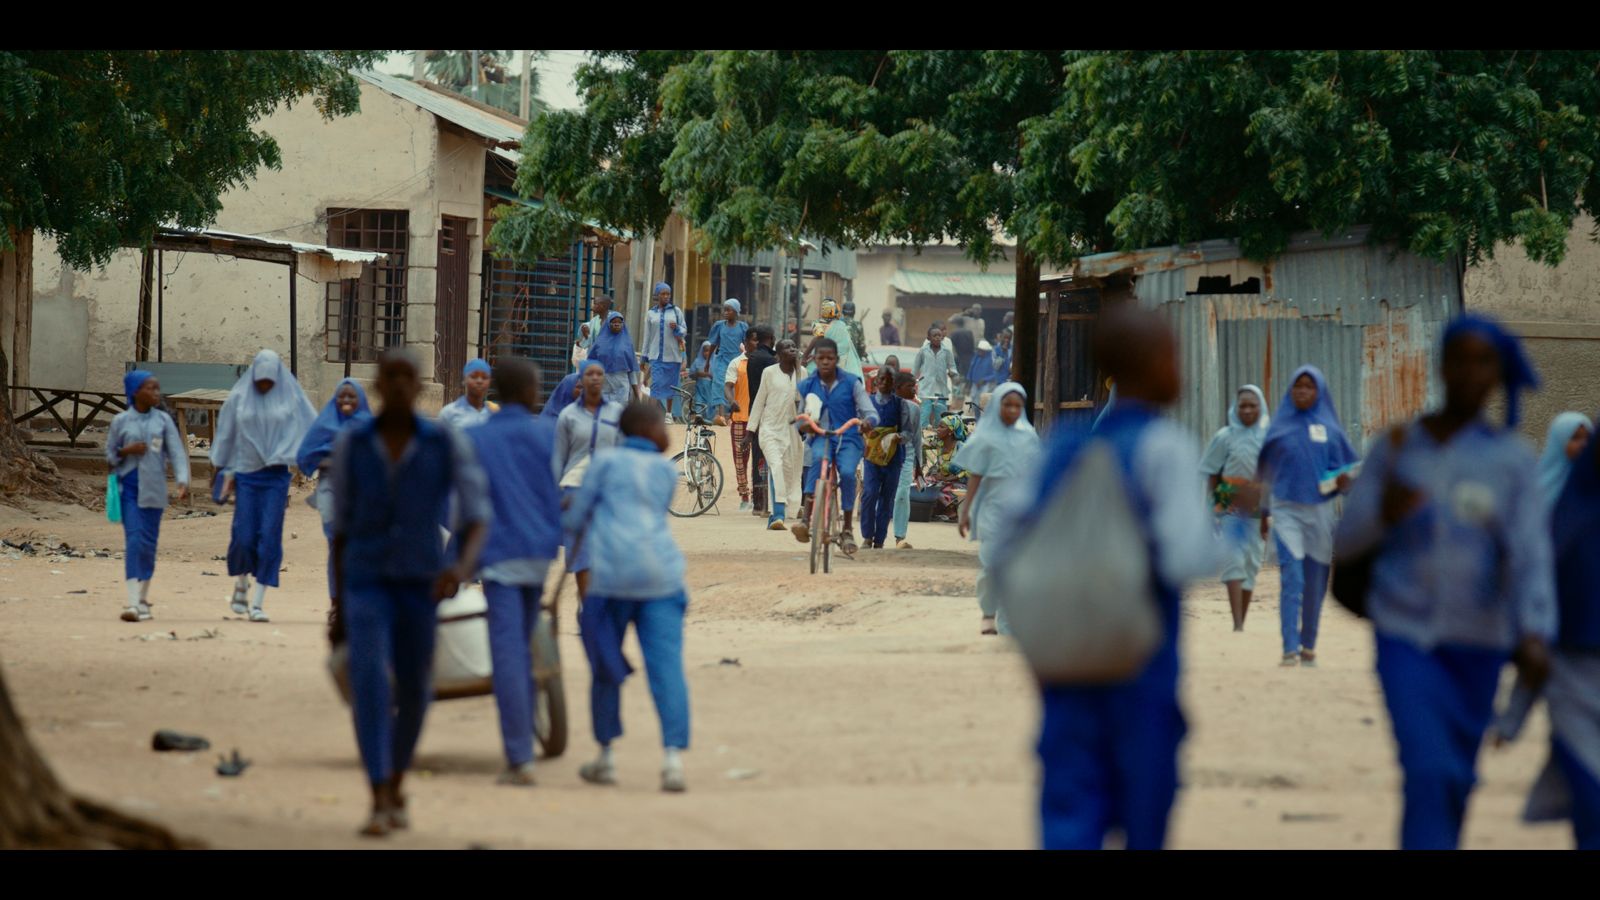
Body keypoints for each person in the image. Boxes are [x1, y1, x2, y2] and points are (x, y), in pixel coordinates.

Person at [997, 306, 1218, 850]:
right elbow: (1184, 557)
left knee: (1071, 804)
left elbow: (1004, 544)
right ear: (1153, 365)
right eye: (1172, 357)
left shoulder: (1063, 444)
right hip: (1141, 662)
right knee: (1144, 806)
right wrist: (1235, 535)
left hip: (1068, 662)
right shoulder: (1164, 447)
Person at [1334, 314, 1552, 851]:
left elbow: (1530, 557)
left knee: (1455, 777)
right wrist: (1380, 513)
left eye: (1484, 362)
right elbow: (1343, 544)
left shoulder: (1511, 463)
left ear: (1497, 374)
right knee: (1428, 769)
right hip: (1405, 635)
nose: (1470, 373)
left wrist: (1535, 631)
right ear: (1442, 364)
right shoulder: (1397, 447)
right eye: (1460, 358)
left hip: (1480, 642)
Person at [329, 348, 490, 837]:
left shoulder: (442, 441)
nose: (399, 385)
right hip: (366, 580)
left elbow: (477, 512)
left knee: (417, 689)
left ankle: (397, 778)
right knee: (371, 685)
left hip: (422, 581)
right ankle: (378, 792)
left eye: (407, 377)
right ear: (378, 384)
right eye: (390, 377)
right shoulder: (353, 445)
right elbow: (340, 527)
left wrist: (458, 567)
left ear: (419, 386)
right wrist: (337, 601)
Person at [565, 401, 693, 793]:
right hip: (661, 576)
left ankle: (606, 755)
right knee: (666, 667)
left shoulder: (604, 464)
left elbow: (576, 519)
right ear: (648, 429)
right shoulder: (663, 470)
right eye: (661, 423)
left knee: (605, 664)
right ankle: (672, 760)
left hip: (611, 577)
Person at [1494, 419, 1600, 850]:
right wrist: (1515, 714)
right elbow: (1539, 627)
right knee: (1590, 798)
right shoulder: (1560, 525)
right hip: (1571, 680)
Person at [467, 359, 564, 787]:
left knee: (507, 654)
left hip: (499, 556)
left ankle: (519, 755)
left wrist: (457, 561)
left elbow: (467, 505)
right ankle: (523, 743)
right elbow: (550, 492)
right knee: (523, 648)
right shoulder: (546, 433)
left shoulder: (477, 438)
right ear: (523, 391)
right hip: (538, 553)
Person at [1255, 365, 1357, 667]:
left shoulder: (1331, 431)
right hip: (1286, 512)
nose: (1302, 391)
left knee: (1315, 582)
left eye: (1309, 387)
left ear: (1319, 392)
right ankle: (1289, 647)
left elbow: (1347, 473)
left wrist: (1344, 484)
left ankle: (1308, 643)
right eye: (1297, 386)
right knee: (1292, 578)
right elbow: (1265, 474)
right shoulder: (1278, 429)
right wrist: (1264, 512)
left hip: (1320, 514)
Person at [211, 348, 316, 624]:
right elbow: (226, 433)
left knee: (269, 538)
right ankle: (242, 582)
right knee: (244, 536)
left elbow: (312, 426)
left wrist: (310, 458)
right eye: (261, 382)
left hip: (276, 477)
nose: (265, 387)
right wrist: (220, 466)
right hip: (245, 473)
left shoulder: (291, 397)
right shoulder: (239, 398)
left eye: (270, 382)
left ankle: (258, 603)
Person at [956, 382, 1040, 636]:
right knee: (992, 563)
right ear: (997, 406)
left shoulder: (1029, 437)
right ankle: (988, 610)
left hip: (1018, 507)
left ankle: (1005, 623)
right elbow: (976, 476)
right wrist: (966, 511)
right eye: (1007, 405)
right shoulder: (985, 437)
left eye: (1017, 406)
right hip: (990, 506)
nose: (1013, 410)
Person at [107, 370, 191, 623]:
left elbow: (176, 452)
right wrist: (126, 450)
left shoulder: (163, 421)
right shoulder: (121, 421)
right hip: (129, 488)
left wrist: (182, 480)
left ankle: (143, 599)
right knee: (134, 540)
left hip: (155, 490)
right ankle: (132, 603)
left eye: (157, 388)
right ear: (135, 392)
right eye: (150, 388)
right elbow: (110, 456)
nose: (156, 393)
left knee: (148, 544)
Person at [792, 338, 878, 552]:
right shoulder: (809, 384)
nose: (825, 362)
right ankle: (806, 520)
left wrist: (868, 422)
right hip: (821, 436)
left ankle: (847, 528)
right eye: (821, 358)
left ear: (837, 360)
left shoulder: (851, 383)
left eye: (830, 358)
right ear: (815, 359)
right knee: (817, 461)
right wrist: (804, 425)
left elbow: (869, 410)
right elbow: (801, 415)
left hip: (848, 437)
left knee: (848, 474)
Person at [1199, 385, 1271, 632]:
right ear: (1235, 408)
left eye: (1253, 405)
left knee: (1251, 562)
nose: (1248, 410)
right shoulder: (1224, 437)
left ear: (1261, 407)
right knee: (1234, 559)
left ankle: (1243, 615)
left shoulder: (1268, 438)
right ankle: (1237, 623)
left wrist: (1267, 515)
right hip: (1230, 508)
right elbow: (1211, 473)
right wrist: (1213, 509)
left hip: (1256, 508)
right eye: (1243, 405)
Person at [296, 378, 371, 611]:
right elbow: (306, 453)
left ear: (361, 400)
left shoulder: (369, 427)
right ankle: (336, 600)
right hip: (330, 488)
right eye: (342, 396)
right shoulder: (325, 425)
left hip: (360, 492)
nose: (346, 400)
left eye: (352, 396)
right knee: (336, 543)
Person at [554, 362, 624, 599]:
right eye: (589, 374)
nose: (594, 378)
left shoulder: (616, 413)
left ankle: (599, 603)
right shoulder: (568, 416)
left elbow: (623, 451)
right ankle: (587, 606)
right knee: (581, 554)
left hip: (608, 491)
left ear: (604, 378)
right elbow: (559, 458)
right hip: (575, 489)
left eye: (599, 374)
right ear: (581, 379)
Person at [747, 338, 804, 530]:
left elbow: (801, 398)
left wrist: (798, 369)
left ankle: (783, 512)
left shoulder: (802, 373)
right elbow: (759, 401)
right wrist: (750, 431)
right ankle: (777, 515)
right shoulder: (769, 373)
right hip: (769, 429)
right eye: (787, 347)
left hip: (791, 431)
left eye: (794, 346)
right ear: (778, 354)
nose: (792, 349)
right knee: (776, 467)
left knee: (790, 472)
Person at [860, 366, 917, 551]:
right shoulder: (867, 402)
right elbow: (858, 426)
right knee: (869, 494)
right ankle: (867, 536)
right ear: (876, 382)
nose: (885, 383)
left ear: (894, 384)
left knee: (887, 498)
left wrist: (897, 437)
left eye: (889, 380)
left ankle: (879, 540)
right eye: (882, 379)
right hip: (871, 458)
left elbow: (908, 431)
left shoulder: (900, 405)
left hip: (893, 459)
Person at [744, 325, 778, 517]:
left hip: (754, 412)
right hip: (768, 414)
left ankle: (758, 503)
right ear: (772, 338)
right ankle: (766, 502)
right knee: (768, 457)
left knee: (758, 457)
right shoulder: (769, 361)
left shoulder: (753, 357)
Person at [723, 331, 759, 511]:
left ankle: (759, 495)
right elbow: (728, 386)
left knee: (760, 459)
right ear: (746, 342)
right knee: (740, 459)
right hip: (740, 419)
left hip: (759, 419)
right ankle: (745, 495)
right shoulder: (736, 363)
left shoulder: (765, 362)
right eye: (753, 339)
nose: (756, 342)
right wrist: (731, 401)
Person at [890, 371, 925, 550]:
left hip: (907, 454)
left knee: (903, 493)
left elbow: (917, 439)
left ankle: (900, 537)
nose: (914, 390)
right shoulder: (885, 406)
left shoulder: (915, 410)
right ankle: (872, 536)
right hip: (885, 455)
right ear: (897, 388)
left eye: (915, 386)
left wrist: (918, 466)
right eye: (910, 387)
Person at [643, 282, 688, 422]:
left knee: (671, 386)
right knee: (655, 384)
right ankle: (651, 414)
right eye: (663, 294)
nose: (666, 296)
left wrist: (677, 328)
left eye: (668, 294)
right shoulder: (651, 314)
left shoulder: (676, 311)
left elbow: (684, 332)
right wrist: (644, 357)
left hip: (673, 356)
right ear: (657, 295)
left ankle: (668, 414)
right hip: (656, 355)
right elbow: (647, 336)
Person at [1536, 411, 1593, 509]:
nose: (1584, 444)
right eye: (1575, 438)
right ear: (1558, 441)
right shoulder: (1537, 487)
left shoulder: (1593, 481)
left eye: (1588, 438)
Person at [587, 310, 641, 406]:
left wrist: (637, 394)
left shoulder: (627, 344)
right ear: (608, 324)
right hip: (603, 384)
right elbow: (590, 364)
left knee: (619, 413)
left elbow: (631, 371)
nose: (616, 324)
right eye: (614, 322)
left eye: (619, 322)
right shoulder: (599, 343)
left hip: (621, 385)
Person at [706, 299, 748, 420]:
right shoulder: (719, 326)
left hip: (737, 360)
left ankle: (732, 415)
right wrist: (708, 361)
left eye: (728, 310)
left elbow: (747, 344)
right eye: (724, 310)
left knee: (735, 386)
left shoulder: (743, 327)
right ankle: (721, 414)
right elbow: (713, 344)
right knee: (719, 384)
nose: (725, 312)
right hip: (721, 360)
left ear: (736, 312)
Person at [912, 325, 958, 425]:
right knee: (924, 415)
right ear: (928, 338)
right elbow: (915, 369)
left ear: (942, 337)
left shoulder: (947, 352)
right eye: (934, 335)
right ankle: (922, 437)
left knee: (941, 418)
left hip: (941, 390)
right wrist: (912, 383)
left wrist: (953, 374)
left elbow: (953, 367)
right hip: (926, 390)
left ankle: (938, 438)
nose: (937, 337)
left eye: (939, 335)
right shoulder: (923, 351)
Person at [438, 359, 498, 431]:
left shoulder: (495, 413)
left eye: (484, 377)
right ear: (464, 380)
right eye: (473, 377)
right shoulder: (449, 412)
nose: (479, 381)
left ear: (489, 382)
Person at [574, 296, 615, 371]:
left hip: (609, 360)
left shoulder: (614, 321)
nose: (592, 306)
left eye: (595, 304)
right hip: (595, 359)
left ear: (603, 306)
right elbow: (587, 342)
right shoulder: (594, 321)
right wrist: (586, 335)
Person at [689, 341, 721, 424]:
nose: (707, 353)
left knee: (710, 404)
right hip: (700, 387)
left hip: (711, 387)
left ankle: (709, 420)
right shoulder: (697, 361)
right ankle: (698, 417)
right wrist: (698, 374)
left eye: (709, 351)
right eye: (705, 351)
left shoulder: (716, 361)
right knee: (699, 402)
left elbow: (720, 374)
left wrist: (711, 376)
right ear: (701, 351)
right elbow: (691, 374)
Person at [946, 315, 977, 385]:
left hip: (959, 358)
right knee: (968, 377)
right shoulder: (969, 332)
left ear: (956, 324)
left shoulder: (954, 333)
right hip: (969, 357)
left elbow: (950, 346)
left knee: (959, 377)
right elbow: (972, 345)